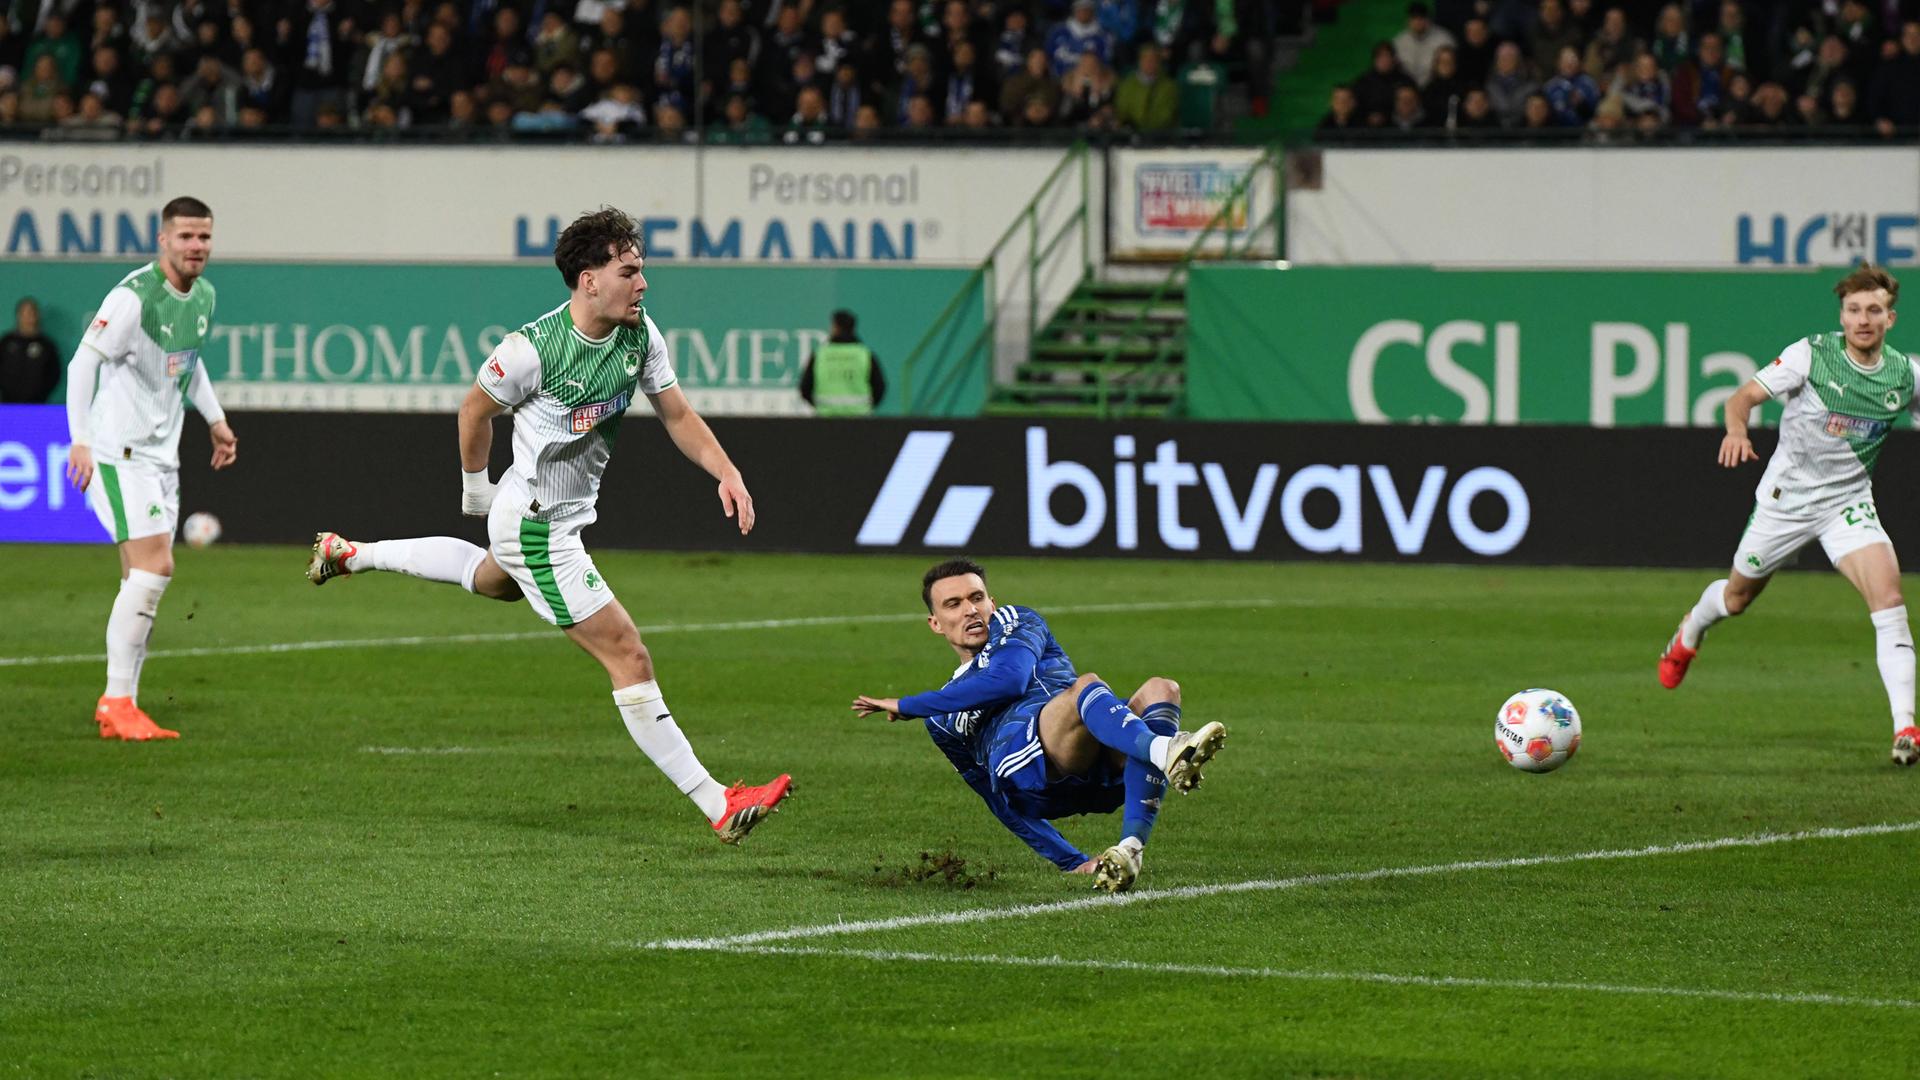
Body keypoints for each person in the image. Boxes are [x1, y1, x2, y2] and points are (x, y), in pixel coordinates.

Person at [306, 208, 791, 843]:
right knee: (628, 653)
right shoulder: (531, 350)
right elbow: (474, 410)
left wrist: (725, 471)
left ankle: (350, 554)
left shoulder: (640, 336)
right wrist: (474, 488)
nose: (643, 283)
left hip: (550, 518)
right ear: (590, 280)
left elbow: (676, 413)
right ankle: (717, 803)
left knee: (491, 580)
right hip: (536, 524)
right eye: (630, 271)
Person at [1658, 266, 1919, 767]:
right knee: (1736, 599)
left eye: (1873, 310)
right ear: (1842, 315)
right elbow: (1743, 397)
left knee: (1889, 601)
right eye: (1853, 310)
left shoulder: (1905, 375)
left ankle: (1905, 727)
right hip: (1786, 502)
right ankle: (1691, 630)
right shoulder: (1811, 355)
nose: (1862, 320)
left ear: (1891, 317)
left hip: (1848, 504)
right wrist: (1737, 430)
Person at [852, 559, 1228, 892]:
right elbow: (990, 794)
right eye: (954, 604)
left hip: (1092, 768)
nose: (971, 610)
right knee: (1087, 685)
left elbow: (1008, 678)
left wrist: (909, 704)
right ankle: (1166, 751)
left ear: (992, 602)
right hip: (1029, 779)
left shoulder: (1017, 623)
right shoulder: (941, 718)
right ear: (935, 623)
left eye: (977, 598)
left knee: (1162, 689)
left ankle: (1130, 849)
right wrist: (1067, 858)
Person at [63, 196, 238, 742]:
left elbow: (189, 362)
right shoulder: (134, 297)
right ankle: (116, 699)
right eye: (186, 236)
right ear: (163, 239)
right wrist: (80, 441)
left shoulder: (203, 294)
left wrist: (215, 419)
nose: (196, 247)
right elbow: (82, 362)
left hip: (163, 458)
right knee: (156, 567)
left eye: (204, 237)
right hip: (120, 454)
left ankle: (124, 705)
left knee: (138, 579)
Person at [798, 309, 886, 416]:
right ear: (853, 329)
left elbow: (805, 387)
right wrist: (866, 407)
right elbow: (879, 387)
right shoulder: (865, 355)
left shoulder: (820, 355)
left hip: (826, 419)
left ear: (835, 327)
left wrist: (820, 406)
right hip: (859, 419)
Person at [1, 297, 61, 403]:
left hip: (37, 405)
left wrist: (41, 393)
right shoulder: (6, 342)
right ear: (19, 315)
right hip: (7, 404)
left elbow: (54, 374)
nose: (28, 317)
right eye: (25, 313)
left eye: (31, 313)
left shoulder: (46, 345)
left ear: (37, 315)